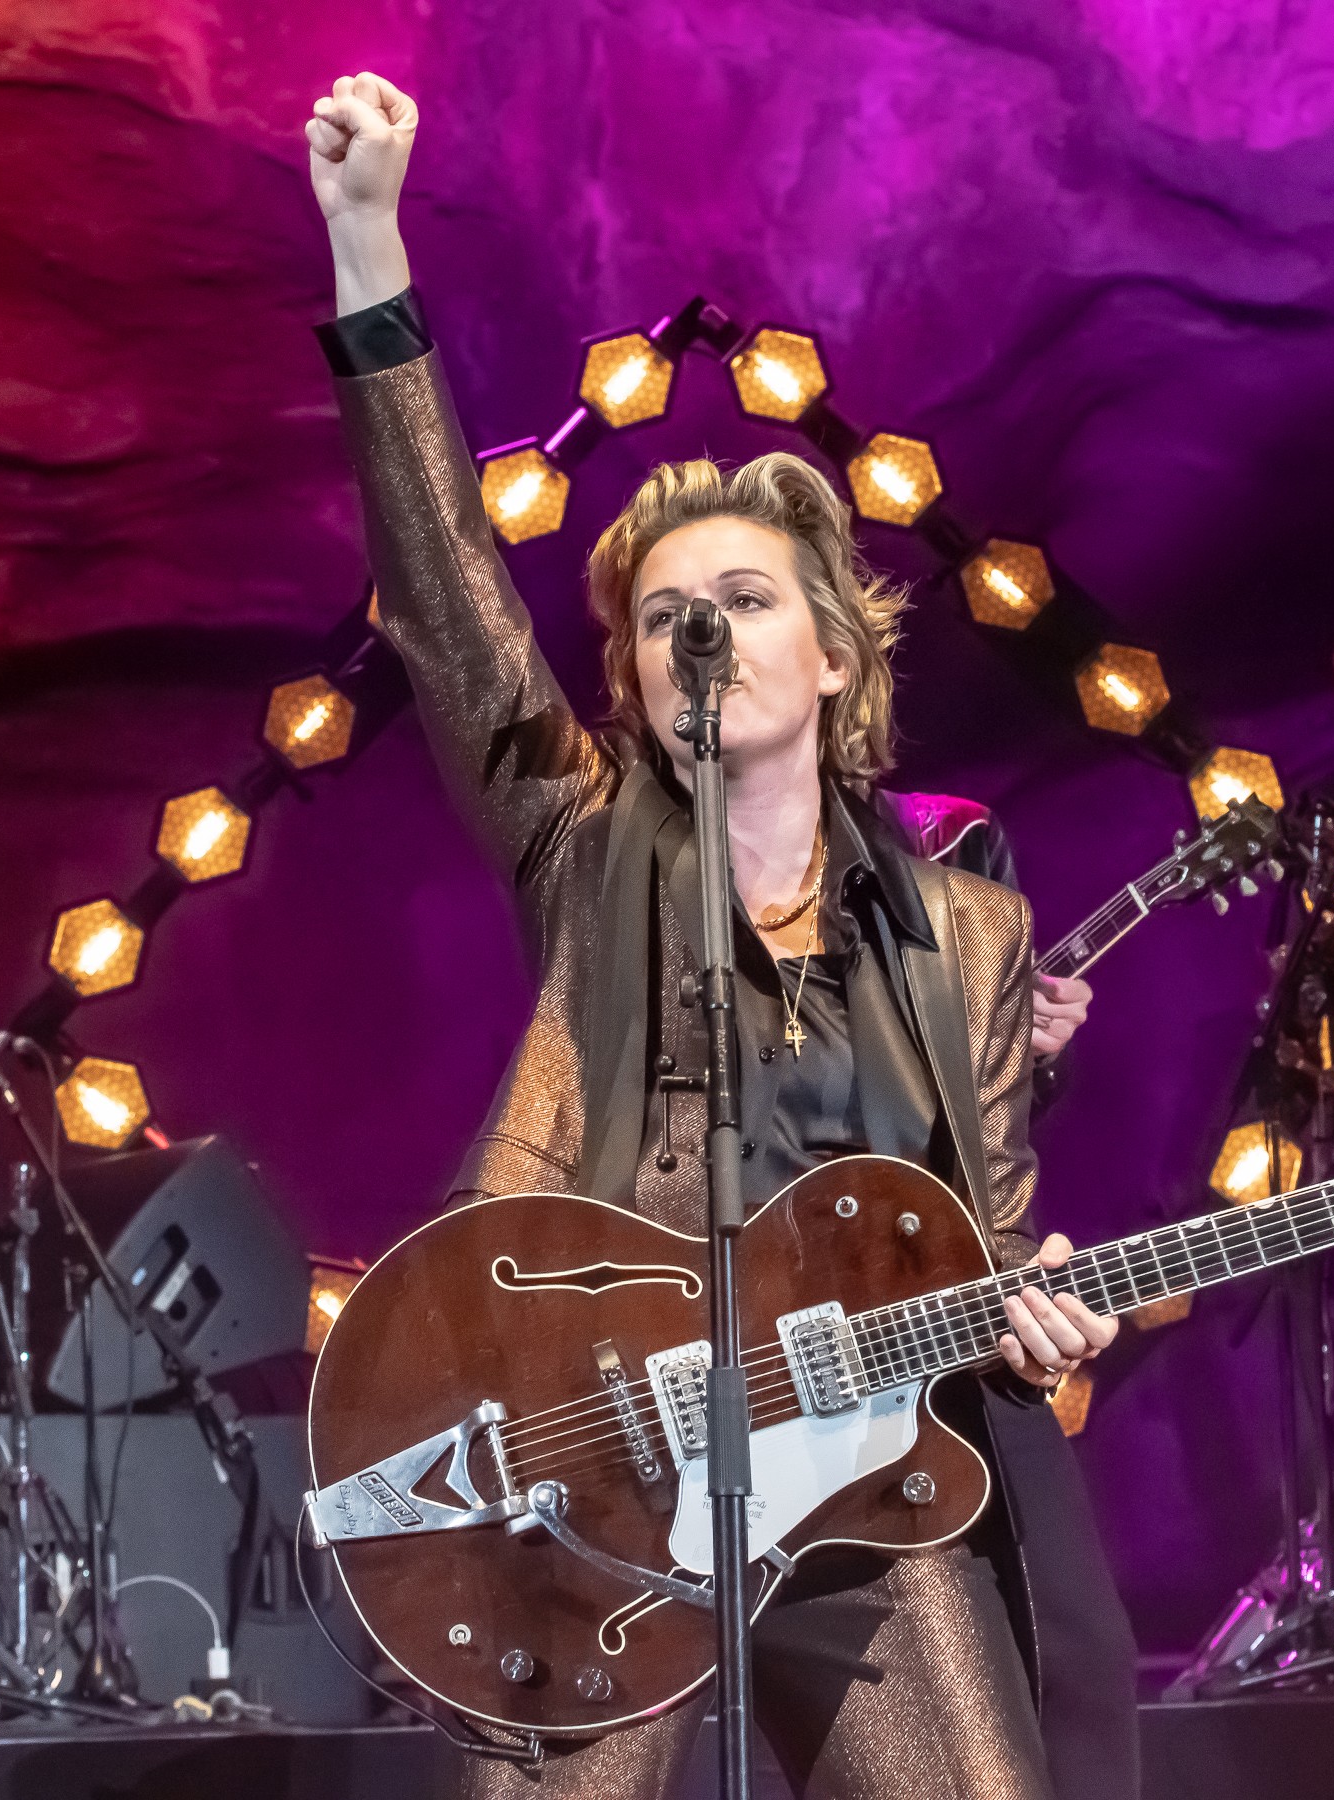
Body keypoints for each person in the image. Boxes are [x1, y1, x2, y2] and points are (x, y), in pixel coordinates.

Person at [305, 71, 1136, 1800]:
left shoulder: (967, 926)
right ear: (630, 675)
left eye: (746, 602)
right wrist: (368, 252)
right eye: (668, 614)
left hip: (853, 1493)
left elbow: (977, 1233)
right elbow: (456, 613)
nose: (706, 631)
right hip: (591, 1481)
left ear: (836, 654)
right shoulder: (588, 843)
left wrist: (1033, 1311)